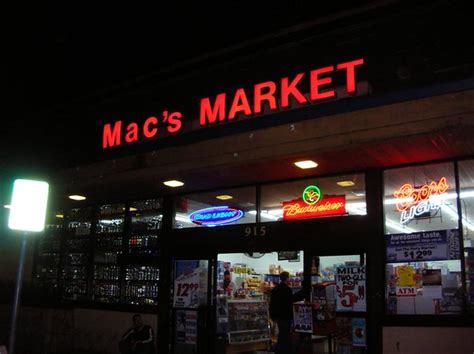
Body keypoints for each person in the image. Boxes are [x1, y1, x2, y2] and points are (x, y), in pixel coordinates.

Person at [269, 271, 294, 354]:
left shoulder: (275, 290)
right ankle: (281, 350)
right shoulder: (288, 290)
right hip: (285, 316)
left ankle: (279, 349)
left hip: (277, 316)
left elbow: (272, 304)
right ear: (287, 278)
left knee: (282, 333)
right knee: (284, 334)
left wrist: (272, 315)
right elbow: (290, 304)